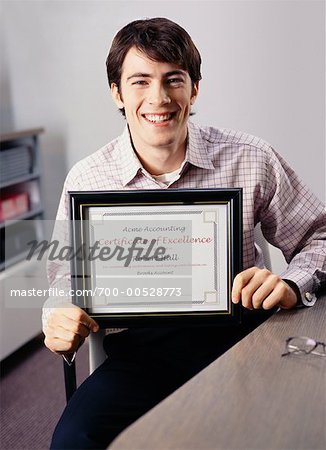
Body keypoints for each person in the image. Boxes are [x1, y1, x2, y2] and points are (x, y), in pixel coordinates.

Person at [43, 17, 326, 449]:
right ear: (117, 92)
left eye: (173, 80)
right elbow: (65, 275)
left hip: (240, 341)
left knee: (293, 429)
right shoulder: (87, 177)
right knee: (74, 440)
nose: (158, 98)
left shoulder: (250, 157)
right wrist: (58, 312)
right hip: (137, 356)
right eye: (140, 81)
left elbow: (320, 235)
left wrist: (289, 283)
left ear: (194, 88)